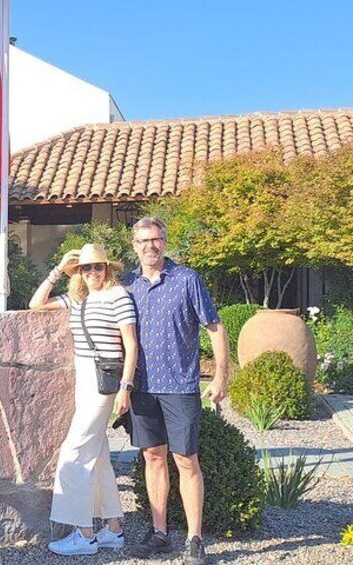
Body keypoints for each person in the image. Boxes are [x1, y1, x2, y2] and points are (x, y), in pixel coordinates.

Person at [124, 217, 228, 565]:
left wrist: (221, 376)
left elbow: (214, 327)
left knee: (186, 460)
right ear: (134, 246)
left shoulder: (187, 280)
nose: (150, 246)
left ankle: (194, 539)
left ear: (165, 242)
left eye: (155, 239)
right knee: (152, 457)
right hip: (142, 388)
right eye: (143, 241)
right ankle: (159, 534)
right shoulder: (127, 283)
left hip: (180, 387)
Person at [30, 243, 138, 556]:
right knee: (98, 454)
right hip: (83, 377)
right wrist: (58, 267)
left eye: (97, 267)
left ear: (108, 269)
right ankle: (114, 529)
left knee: (73, 453)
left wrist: (125, 387)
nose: (92, 273)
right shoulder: (78, 299)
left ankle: (85, 534)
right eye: (86, 268)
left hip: (104, 382)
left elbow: (130, 345)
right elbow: (36, 303)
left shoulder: (118, 296)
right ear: (79, 272)